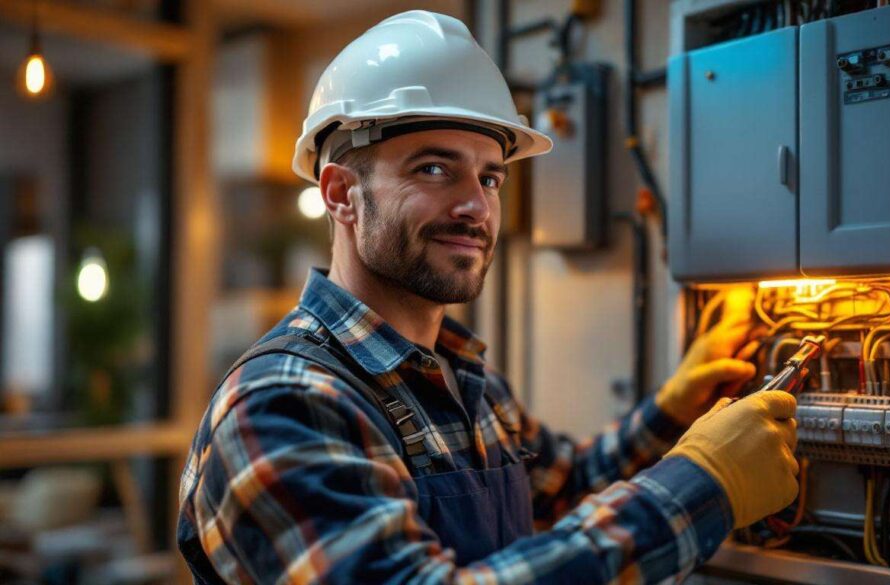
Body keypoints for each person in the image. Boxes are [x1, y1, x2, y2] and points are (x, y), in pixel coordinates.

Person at [177, 10, 799, 584]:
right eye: (433, 169)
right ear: (341, 194)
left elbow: (565, 490)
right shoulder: (282, 403)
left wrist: (673, 406)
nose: (477, 207)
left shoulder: (461, 379)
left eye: (490, 176)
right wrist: (703, 484)